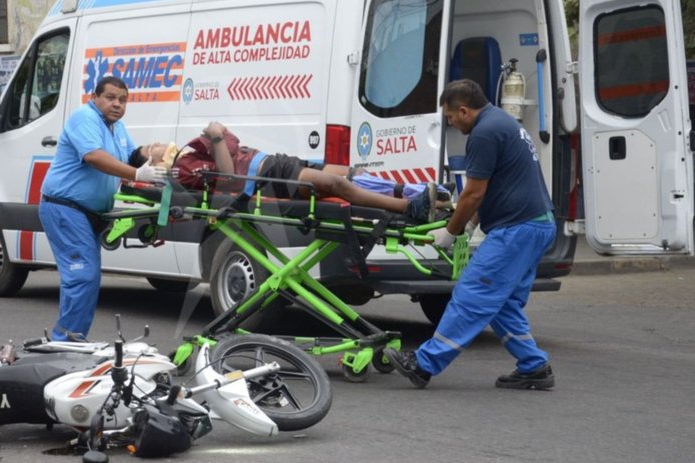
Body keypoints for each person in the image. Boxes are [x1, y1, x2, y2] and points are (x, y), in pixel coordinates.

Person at [383, 79, 557, 390]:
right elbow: (494, 188)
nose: (449, 122)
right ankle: (534, 366)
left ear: (464, 110)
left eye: (450, 116)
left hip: (517, 230)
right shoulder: (502, 122)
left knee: (471, 295)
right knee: (501, 303)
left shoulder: (484, 134)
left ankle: (423, 364)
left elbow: (474, 193)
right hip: (537, 225)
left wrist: (450, 233)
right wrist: (471, 223)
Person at [39, 76, 165, 341]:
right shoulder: (85, 118)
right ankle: (66, 342)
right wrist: (137, 174)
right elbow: (94, 157)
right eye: (110, 97)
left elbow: (132, 154)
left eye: (122, 99)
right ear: (95, 97)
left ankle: (71, 339)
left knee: (85, 278)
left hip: (87, 213)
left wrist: (150, 152)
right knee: (82, 276)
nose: (117, 104)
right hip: (66, 208)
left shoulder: (116, 128)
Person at [130, 121, 446, 220]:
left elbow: (229, 143)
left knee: (350, 173)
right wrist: (215, 138)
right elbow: (228, 179)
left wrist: (218, 140)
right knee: (336, 183)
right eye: (150, 148)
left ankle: (422, 194)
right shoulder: (182, 170)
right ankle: (408, 208)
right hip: (264, 179)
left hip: (272, 161)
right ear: (152, 164)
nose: (158, 144)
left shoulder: (188, 151)